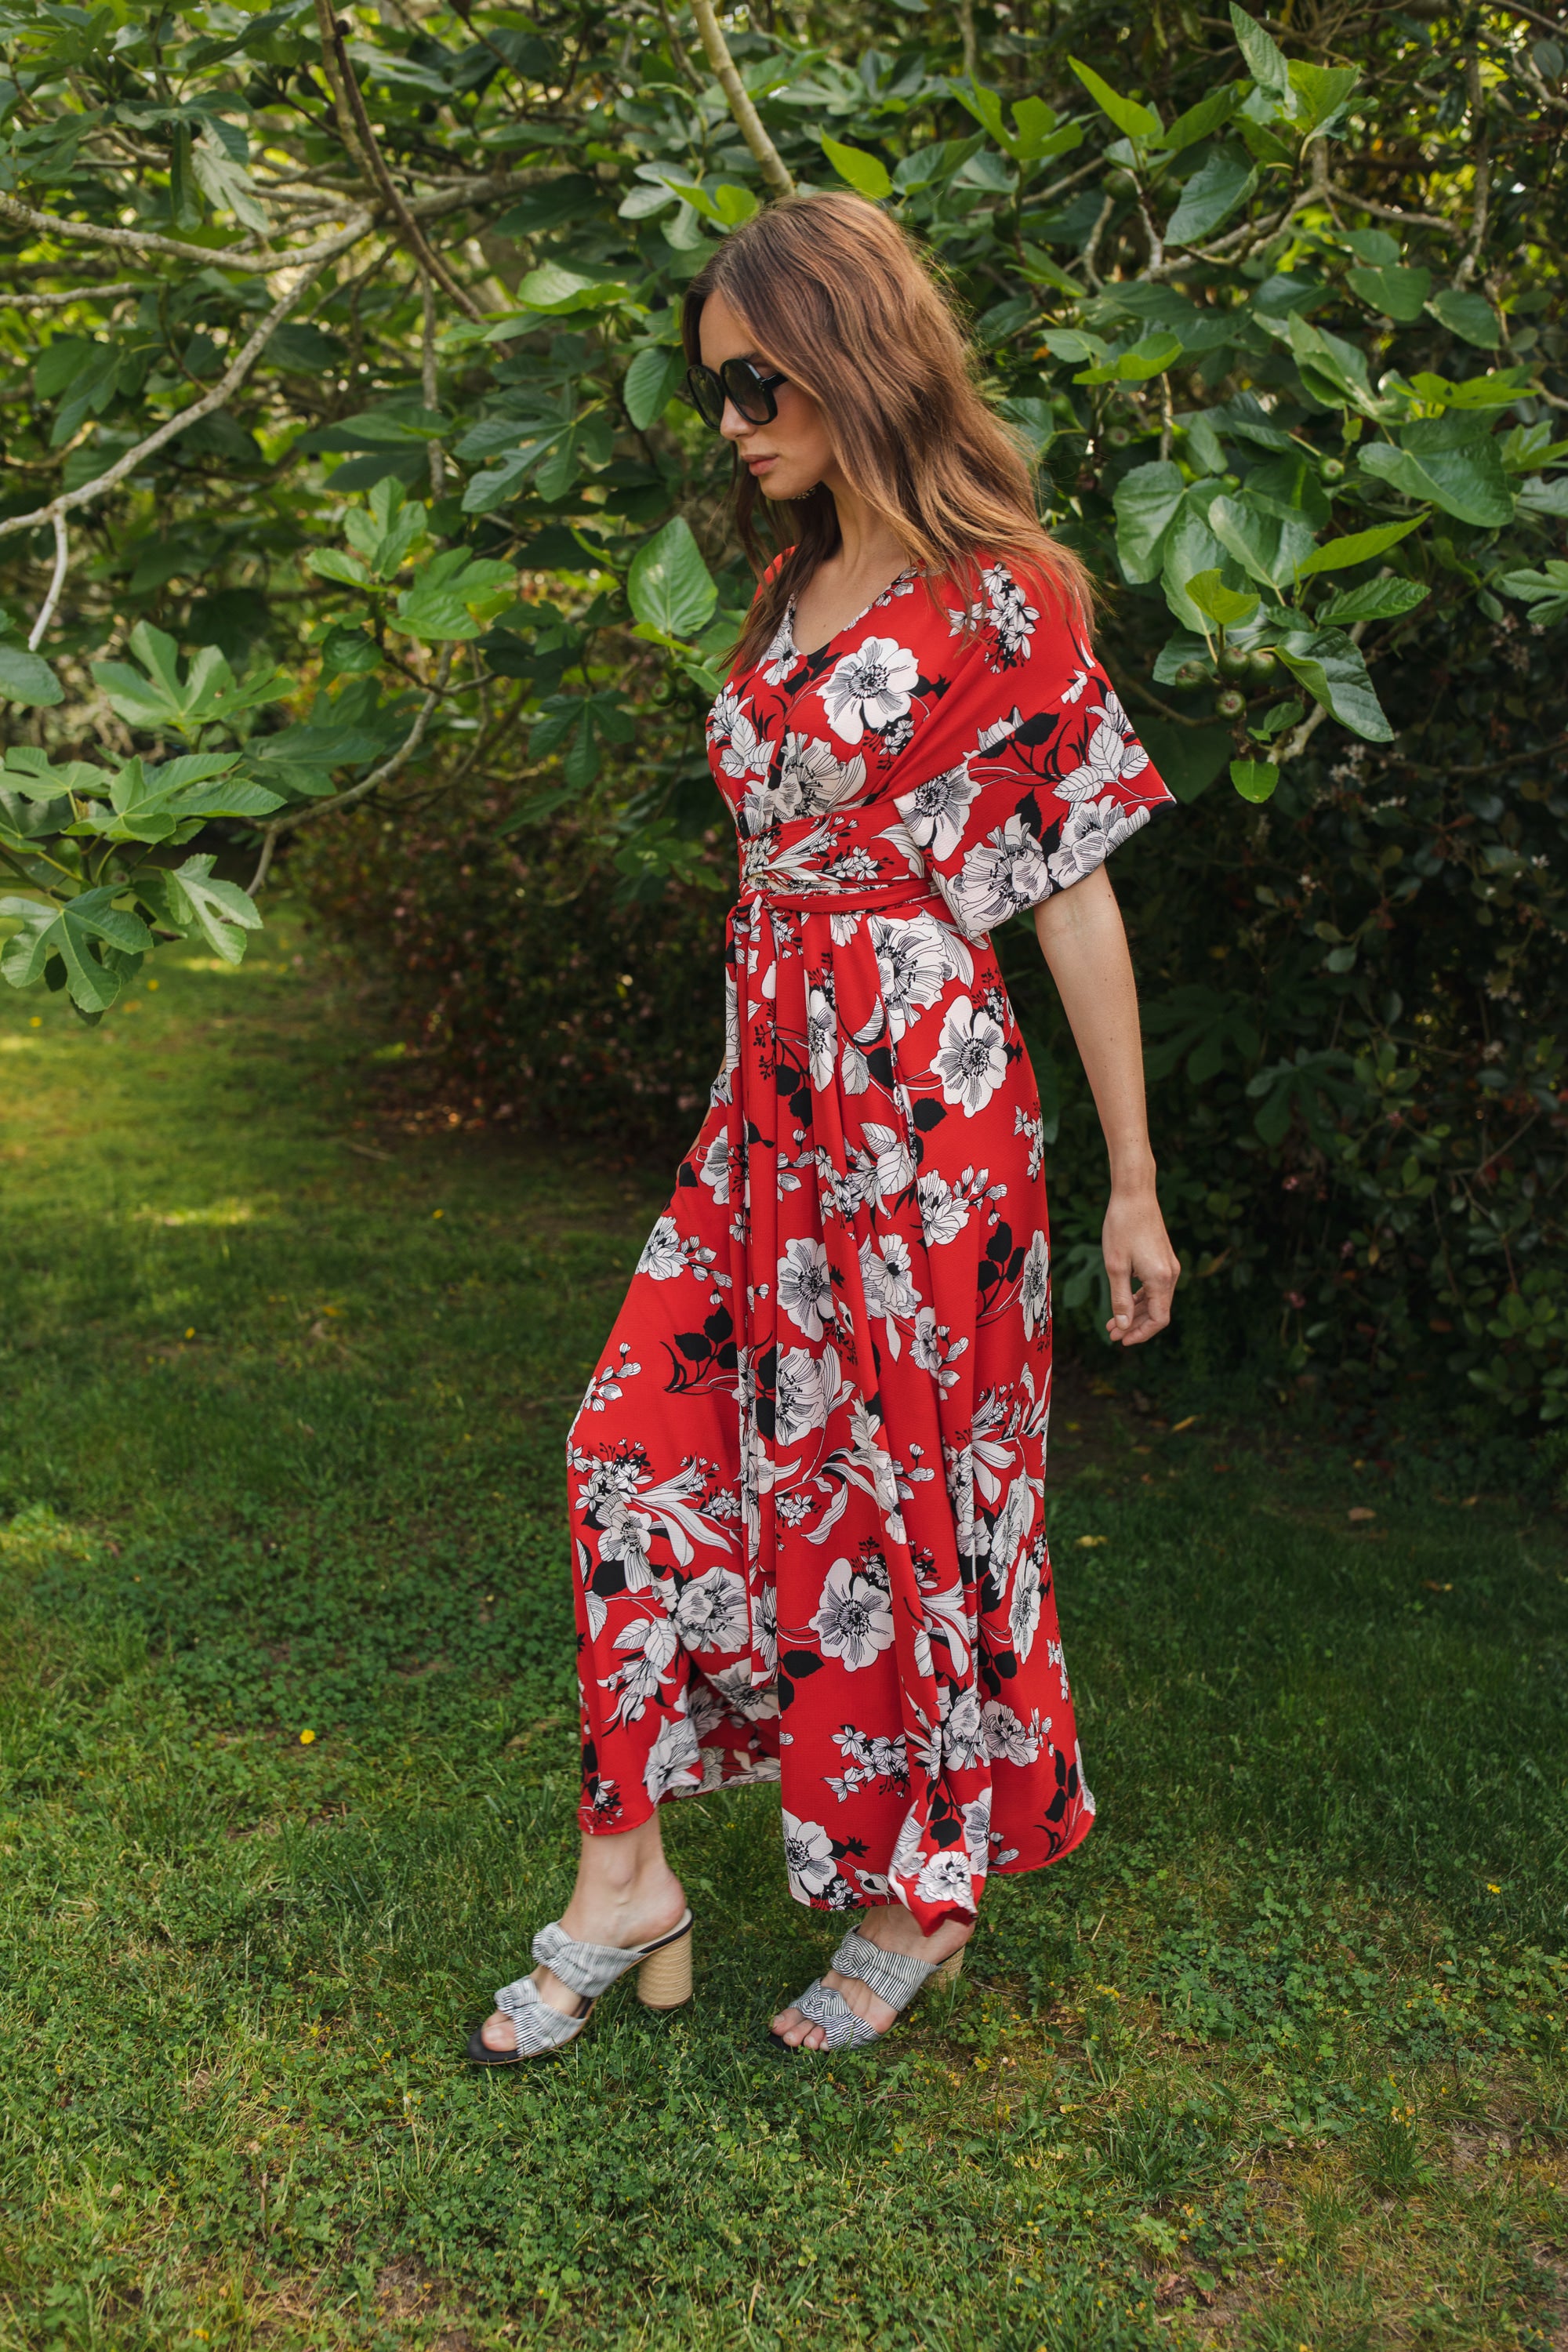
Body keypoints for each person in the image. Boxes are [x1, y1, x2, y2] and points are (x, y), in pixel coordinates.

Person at [467, 191, 1181, 2063]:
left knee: (916, 1505)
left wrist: (1134, 1184)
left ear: (856, 349)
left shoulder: (1009, 594)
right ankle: (626, 1872)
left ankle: (910, 1897)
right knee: (628, 1441)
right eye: (716, 391)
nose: (732, 421)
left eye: (758, 380)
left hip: (926, 1112)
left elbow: (1074, 894)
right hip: (767, 1113)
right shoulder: (791, 587)